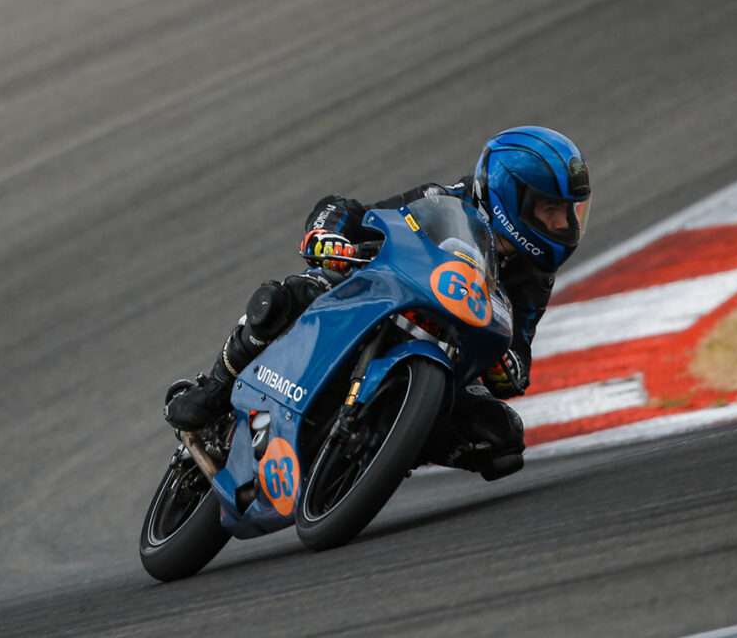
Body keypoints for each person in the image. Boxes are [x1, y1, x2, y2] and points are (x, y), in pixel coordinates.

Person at [165, 126, 592, 480]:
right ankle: (214, 390)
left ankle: (386, 444)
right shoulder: (441, 199)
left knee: (503, 439)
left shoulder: (534, 276)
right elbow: (349, 212)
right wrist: (328, 237)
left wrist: (506, 367)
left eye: (569, 213)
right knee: (286, 296)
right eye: (550, 210)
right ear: (509, 195)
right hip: (377, 300)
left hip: (446, 350)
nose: (563, 224)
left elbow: (519, 356)